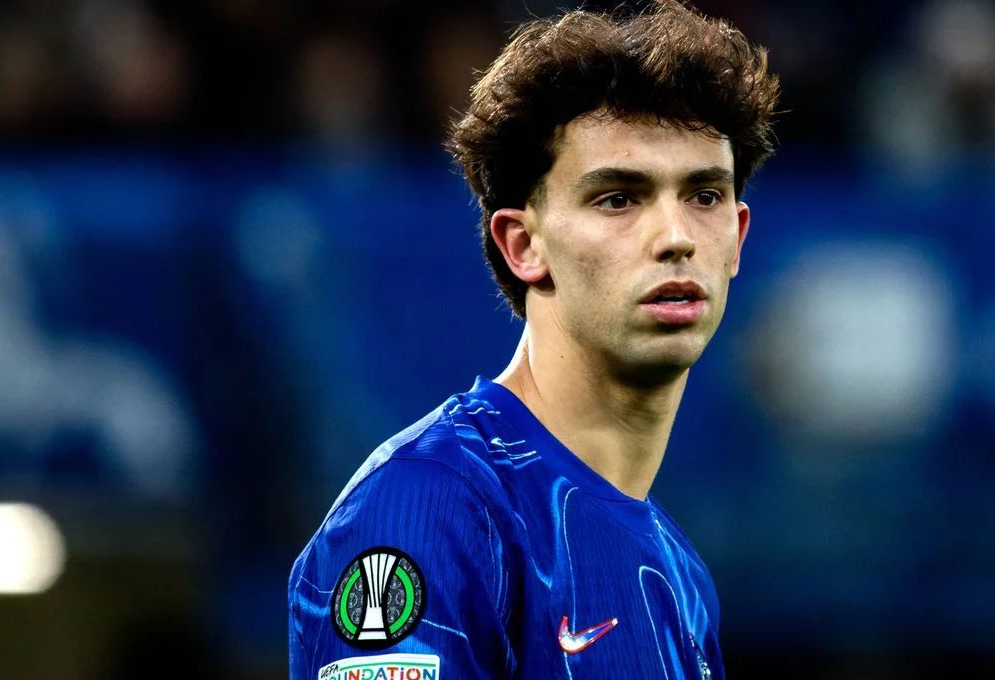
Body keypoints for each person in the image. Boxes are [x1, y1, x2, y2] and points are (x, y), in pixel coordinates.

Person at [288, 1, 779, 677]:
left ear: (738, 239)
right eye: (619, 198)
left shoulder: (679, 574)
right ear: (523, 245)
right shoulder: (429, 503)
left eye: (703, 196)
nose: (675, 238)